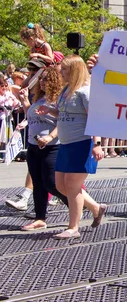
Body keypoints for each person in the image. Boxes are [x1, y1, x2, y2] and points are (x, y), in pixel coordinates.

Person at [37, 55, 107, 239]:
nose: (61, 73)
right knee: (60, 185)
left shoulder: (85, 91)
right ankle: (96, 208)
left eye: (65, 70)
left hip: (81, 143)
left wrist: (97, 144)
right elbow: (62, 113)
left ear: (75, 70)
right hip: (66, 144)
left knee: (73, 186)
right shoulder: (66, 90)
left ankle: (73, 227)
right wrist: (49, 111)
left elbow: (95, 118)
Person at [18, 66, 69, 230]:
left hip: (52, 146)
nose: (41, 82)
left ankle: (76, 202)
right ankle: (40, 218)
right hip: (34, 146)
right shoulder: (39, 99)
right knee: (38, 183)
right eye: (41, 79)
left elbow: (63, 120)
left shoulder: (59, 99)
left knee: (51, 183)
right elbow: (31, 118)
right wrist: (25, 102)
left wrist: (50, 137)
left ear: (54, 81)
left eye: (45, 79)